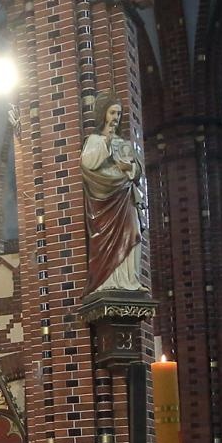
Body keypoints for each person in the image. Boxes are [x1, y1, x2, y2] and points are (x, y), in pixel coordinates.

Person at [80, 93, 145, 293]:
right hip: (105, 202)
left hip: (125, 198)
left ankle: (130, 280)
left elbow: (136, 171)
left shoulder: (123, 142)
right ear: (103, 114)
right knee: (105, 239)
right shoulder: (95, 140)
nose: (116, 117)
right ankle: (108, 281)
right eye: (112, 112)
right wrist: (105, 143)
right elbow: (88, 163)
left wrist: (129, 168)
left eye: (119, 113)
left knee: (132, 232)